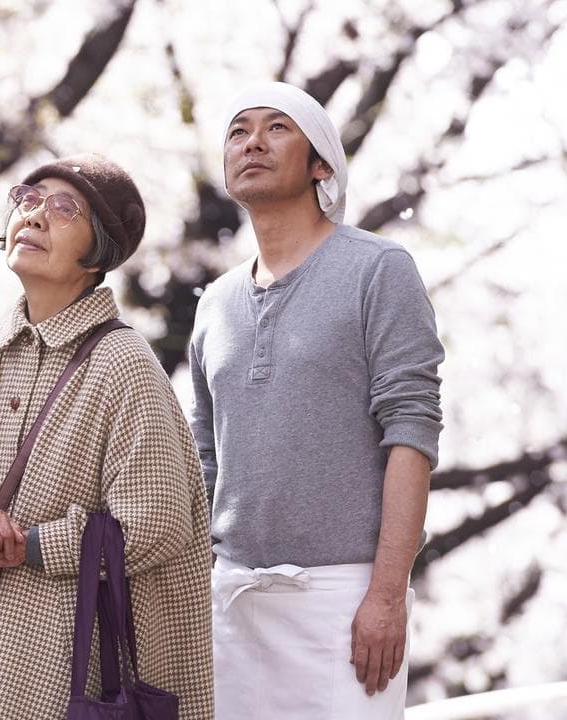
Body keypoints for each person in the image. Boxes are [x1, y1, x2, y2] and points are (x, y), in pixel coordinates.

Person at [0, 154, 214, 719]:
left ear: (99, 248)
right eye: (27, 199)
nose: (34, 215)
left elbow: (157, 520)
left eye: (63, 208)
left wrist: (27, 544)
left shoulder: (125, 362)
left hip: (79, 668)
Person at [189, 81, 445, 719]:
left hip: (347, 599)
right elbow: (205, 459)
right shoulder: (215, 303)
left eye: (277, 128)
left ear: (321, 164)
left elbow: (412, 432)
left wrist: (388, 595)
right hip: (231, 602)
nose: (252, 141)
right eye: (238, 130)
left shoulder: (378, 269)